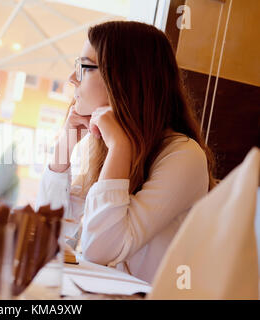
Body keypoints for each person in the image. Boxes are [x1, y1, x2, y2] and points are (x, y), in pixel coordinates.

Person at [36, 21, 217, 283]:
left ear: (122, 78)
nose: (72, 79)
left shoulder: (184, 156)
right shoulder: (108, 142)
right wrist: (65, 145)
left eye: (84, 67)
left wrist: (121, 148)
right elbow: (50, 229)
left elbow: (100, 250)